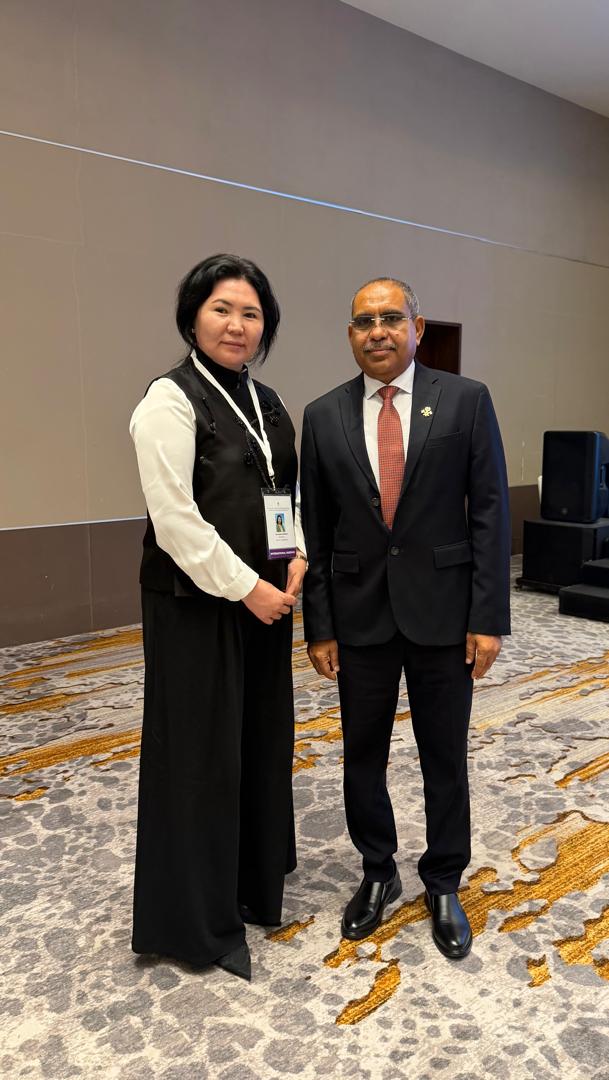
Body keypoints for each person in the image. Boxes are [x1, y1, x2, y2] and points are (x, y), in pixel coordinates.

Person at [300, 276, 510, 959]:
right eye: (364, 322)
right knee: (362, 756)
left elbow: (489, 511)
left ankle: (443, 880)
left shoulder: (465, 401)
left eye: (391, 318)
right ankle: (377, 871)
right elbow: (315, 527)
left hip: (444, 616)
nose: (378, 332)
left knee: (443, 755)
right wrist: (319, 625)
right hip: (358, 617)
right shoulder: (322, 415)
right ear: (350, 335)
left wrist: (488, 617)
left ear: (416, 328)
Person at [129, 254, 306, 981]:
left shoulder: (266, 400)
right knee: (201, 756)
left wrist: (293, 555)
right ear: (192, 317)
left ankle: (252, 887)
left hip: (265, 599)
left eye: (251, 313)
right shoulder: (167, 401)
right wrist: (246, 587)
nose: (237, 325)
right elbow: (175, 521)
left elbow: (280, 491)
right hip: (196, 605)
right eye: (221, 309)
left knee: (259, 740)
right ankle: (197, 923)